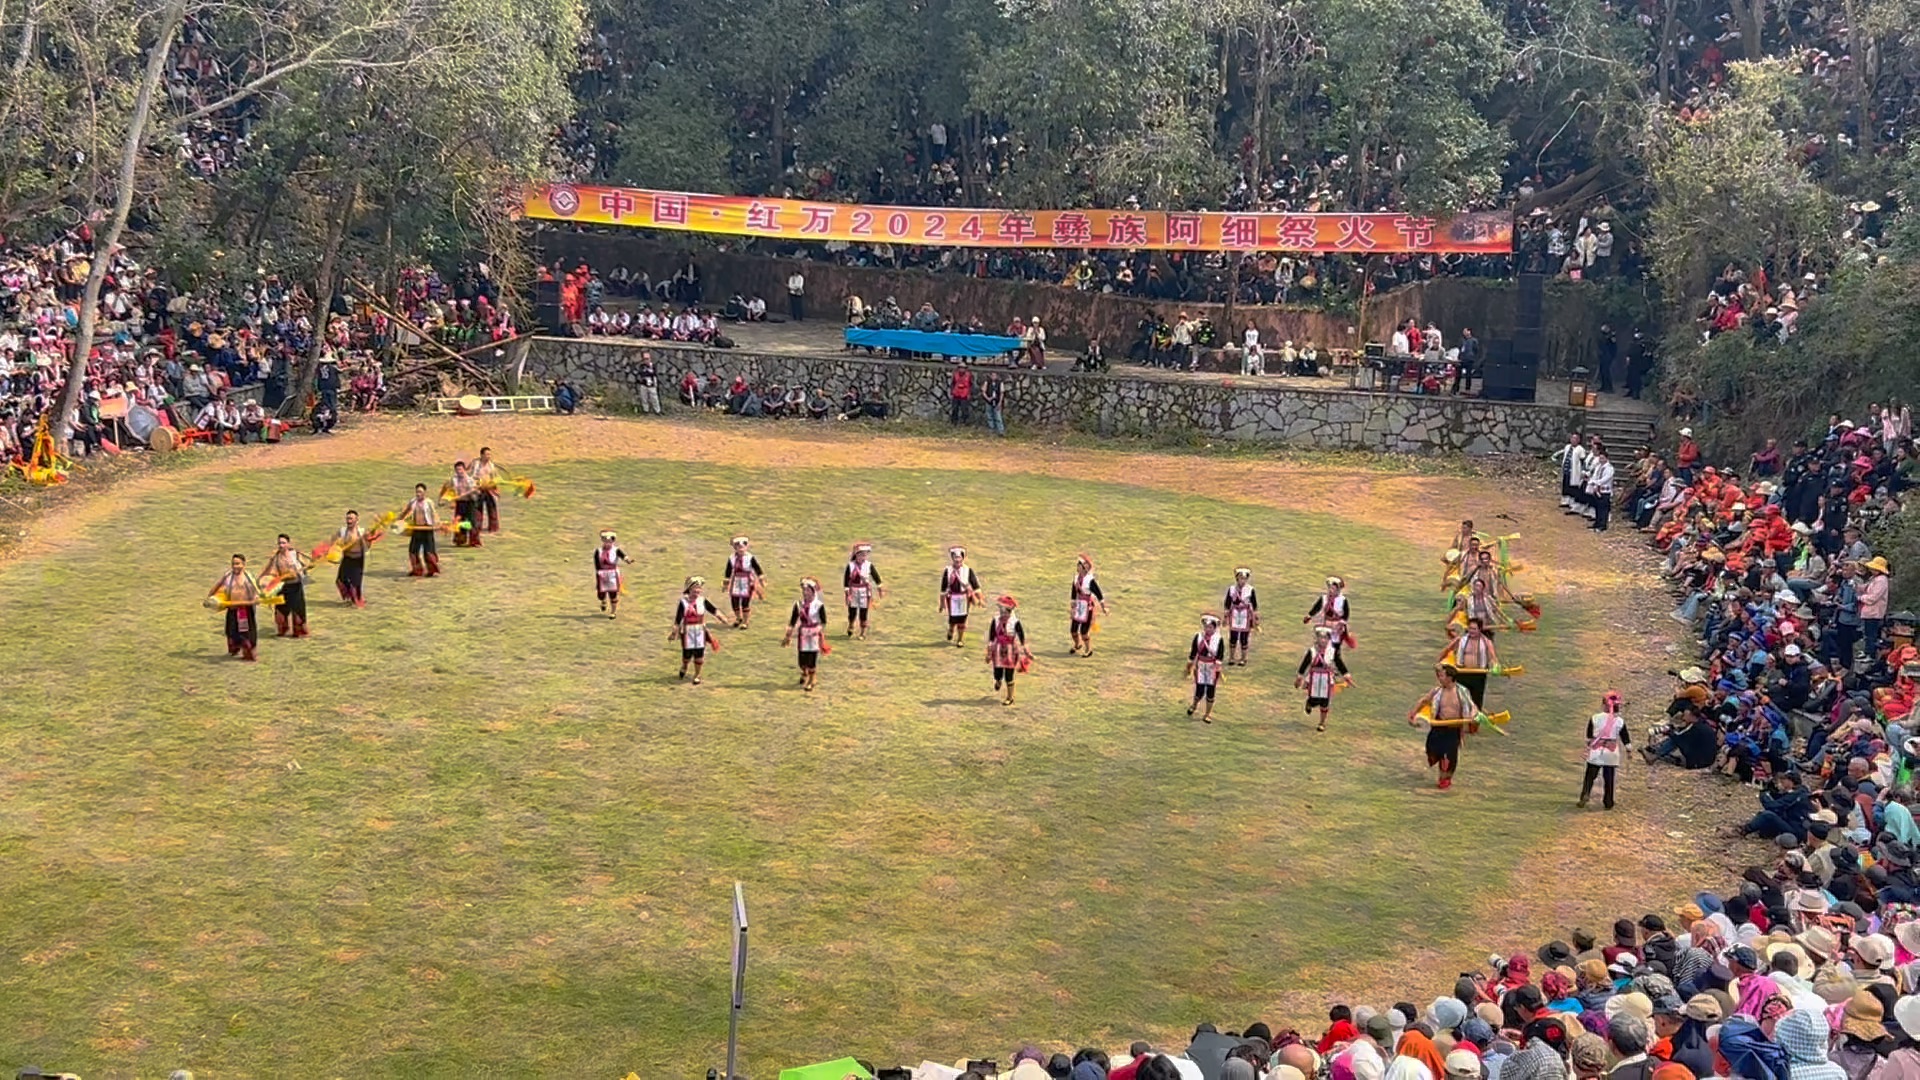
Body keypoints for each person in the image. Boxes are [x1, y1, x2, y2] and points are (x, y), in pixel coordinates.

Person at [1409, 664, 1481, 790]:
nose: (1439, 678)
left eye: (1441, 676)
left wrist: (1474, 716)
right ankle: (1441, 768)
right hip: (1438, 726)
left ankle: (1445, 779)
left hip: (1453, 729)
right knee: (1431, 751)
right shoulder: (1437, 691)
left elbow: (1472, 707)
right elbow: (1424, 701)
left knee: (1448, 756)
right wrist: (1413, 714)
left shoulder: (1461, 691)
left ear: (1450, 677)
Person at [1579, 692, 1631, 809]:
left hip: (1596, 750)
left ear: (1603, 704)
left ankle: (1585, 794)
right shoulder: (1620, 721)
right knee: (1609, 778)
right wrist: (1628, 749)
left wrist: (1589, 744)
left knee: (1590, 776)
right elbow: (1625, 738)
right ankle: (1608, 802)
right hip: (1611, 752)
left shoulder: (1595, 718)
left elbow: (1589, 735)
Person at [1296, 625, 1353, 733]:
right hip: (1314, 678)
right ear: (1316, 639)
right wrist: (1299, 677)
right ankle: (1310, 703)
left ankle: (1322, 723)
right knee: (1314, 700)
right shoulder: (1312, 651)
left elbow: (1339, 663)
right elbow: (1305, 664)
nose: (1322, 640)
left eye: (1325, 638)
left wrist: (1346, 675)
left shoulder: (1332, 651)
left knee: (1325, 702)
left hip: (1327, 679)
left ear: (1328, 639)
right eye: (1320, 638)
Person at [209, 552, 264, 661]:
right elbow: (217, 585)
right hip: (232, 608)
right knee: (231, 631)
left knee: (245, 632)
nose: (235, 566)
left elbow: (257, 591)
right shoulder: (228, 576)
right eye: (233, 564)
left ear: (243, 564)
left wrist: (257, 598)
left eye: (238, 564)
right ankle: (234, 649)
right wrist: (210, 598)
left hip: (244, 609)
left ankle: (249, 654)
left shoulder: (249, 577)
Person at [1439, 617, 1501, 711]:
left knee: (1476, 700)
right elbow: (1446, 650)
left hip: (1478, 675)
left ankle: (1475, 717)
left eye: (1474, 629)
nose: (1471, 631)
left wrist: (1496, 666)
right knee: (1460, 699)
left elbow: (1493, 657)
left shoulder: (1487, 642)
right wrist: (1439, 662)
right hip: (1462, 673)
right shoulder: (1460, 639)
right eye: (1470, 628)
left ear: (1480, 629)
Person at [782, 578, 830, 692]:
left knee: (811, 658)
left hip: (814, 634)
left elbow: (823, 622)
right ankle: (804, 672)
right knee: (802, 660)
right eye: (804, 590)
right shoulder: (799, 605)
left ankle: (812, 679)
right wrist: (788, 634)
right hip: (803, 634)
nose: (805, 592)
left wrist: (818, 630)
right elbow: (793, 620)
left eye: (808, 590)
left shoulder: (819, 605)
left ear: (813, 591)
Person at [671, 576, 723, 684]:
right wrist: (674, 632)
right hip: (687, 631)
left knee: (699, 653)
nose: (697, 590)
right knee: (687, 654)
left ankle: (697, 674)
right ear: (689, 589)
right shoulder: (683, 602)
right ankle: (684, 666)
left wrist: (722, 617)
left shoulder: (702, 601)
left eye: (699, 588)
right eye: (695, 587)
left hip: (700, 631)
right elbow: (678, 618)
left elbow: (713, 610)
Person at [262, 533, 312, 639]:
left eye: (283, 543)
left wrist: (307, 567)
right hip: (283, 586)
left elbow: (307, 564)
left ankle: (299, 632)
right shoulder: (276, 557)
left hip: (296, 586)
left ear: (288, 544)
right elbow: (270, 570)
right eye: (279, 543)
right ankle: (283, 630)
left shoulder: (295, 554)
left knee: (298, 610)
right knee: (280, 610)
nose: (281, 545)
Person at [985, 595, 1031, 706]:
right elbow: (992, 636)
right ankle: (998, 680)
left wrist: (1026, 650)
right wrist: (989, 652)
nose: (1001, 611)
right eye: (1000, 609)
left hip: (1010, 650)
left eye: (1003, 609)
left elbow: (1021, 636)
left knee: (1009, 675)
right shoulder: (995, 620)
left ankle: (1010, 697)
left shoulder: (1015, 622)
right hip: (998, 649)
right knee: (997, 672)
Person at [1187, 613, 1228, 722]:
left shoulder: (1218, 639)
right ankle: (1194, 705)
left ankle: (1207, 714)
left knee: (1210, 690)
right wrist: (1189, 664)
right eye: (1206, 627)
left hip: (1212, 667)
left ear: (1215, 628)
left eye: (1210, 627)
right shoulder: (1199, 636)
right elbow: (1193, 652)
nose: (1207, 629)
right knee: (1199, 688)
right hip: (1201, 665)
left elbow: (1220, 654)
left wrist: (1218, 665)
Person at [333, 508, 376, 607]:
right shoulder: (342, 531)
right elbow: (333, 541)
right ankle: (349, 597)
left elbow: (367, 546)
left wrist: (368, 539)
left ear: (357, 520)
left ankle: (357, 601)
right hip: (346, 558)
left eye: (351, 519)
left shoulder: (361, 532)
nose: (349, 521)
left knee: (355, 582)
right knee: (340, 580)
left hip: (358, 560)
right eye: (348, 518)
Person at [1069, 553, 1109, 657]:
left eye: (1079, 565)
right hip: (1078, 605)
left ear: (1084, 567)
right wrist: (1073, 603)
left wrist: (1103, 607)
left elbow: (1098, 593)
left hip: (1087, 607)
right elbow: (1074, 591)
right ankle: (1077, 644)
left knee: (1083, 632)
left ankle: (1088, 649)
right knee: (1073, 630)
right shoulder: (1076, 578)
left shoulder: (1089, 580)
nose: (1077, 567)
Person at [941, 545, 982, 646]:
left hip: (964, 598)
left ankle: (960, 639)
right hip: (952, 598)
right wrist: (942, 602)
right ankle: (951, 629)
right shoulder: (948, 570)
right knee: (953, 619)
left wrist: (980, 598)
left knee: (962, 619)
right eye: (955, 558)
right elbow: (943, 587)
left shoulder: (968, 570)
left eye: (959, 558)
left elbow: (975, 585)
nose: (957, 561)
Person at [721, 535, 766, 628]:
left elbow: (757, 569)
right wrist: (726, 584)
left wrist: (761, 580)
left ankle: (745, 622)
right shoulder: (732, 558)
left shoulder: (750, 557)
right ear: (735, 548)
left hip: (747, 581)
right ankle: (738, 618)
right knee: (734, 601)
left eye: (743, 547)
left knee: (745, 602)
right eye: (738, 547)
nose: (741, 549)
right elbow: (728, 571)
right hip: (736, 581)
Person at [843, 542, 884, 638]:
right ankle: (851, 624)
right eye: (861, 555)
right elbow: (846, 580)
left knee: (863, 612)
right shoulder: (851, 565)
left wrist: (880, 587)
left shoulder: (869, 565)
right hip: (853, 590)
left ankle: (863, 631)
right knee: (852, 611)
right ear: (856, 555)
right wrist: (847, 592)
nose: (863, 557)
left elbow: (876, 576)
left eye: (865, 555)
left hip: (864, 592)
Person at [401, 482, 442, 578]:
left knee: (428, 551)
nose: (418, 494)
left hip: (427, 529)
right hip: (417, 529)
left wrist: (437, 523)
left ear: (424, 492)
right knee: (413, 550)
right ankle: (417, 570)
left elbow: (434, 514)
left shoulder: (429, 502)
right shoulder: (413, 502)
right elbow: (405, 511)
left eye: (420, 492)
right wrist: (399, 520)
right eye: (417, 492)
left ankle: (431, 571)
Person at [1304, 575, 1354, 648]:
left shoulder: (1342, 600)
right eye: (1330, 588)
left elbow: (1346, 613)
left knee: (1335, 645)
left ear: (1338, 590)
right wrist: (1309, 616)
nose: (1331, 590)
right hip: (1326, 623)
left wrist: (1342, 623)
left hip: (1337, 625)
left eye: (1333, 589)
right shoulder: (1324, 598)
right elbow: (1317, 607)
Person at [1224, 568, 1260, 666]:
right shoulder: (1232, 589)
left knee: (1244, 637)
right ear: (1237, 578)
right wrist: (1226, 615)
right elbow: (1227, 603)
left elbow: (1254, 604)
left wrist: (1256, 617)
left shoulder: (1250, 589)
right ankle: (1231, 657)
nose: (1242, 581)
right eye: (1240, 578)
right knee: (1233, 636)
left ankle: (1244, 658)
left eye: (1244, 578)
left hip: (1245, 614)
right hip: (1235, 613)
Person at [593, 530, 632, 617]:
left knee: (613, 593)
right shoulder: (598, 551)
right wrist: (598, 573)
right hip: (602, 573)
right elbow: (596, 563)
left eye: (609, 541)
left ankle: (613, 612)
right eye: (605, 541)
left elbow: (623, 556)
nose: (607, 543)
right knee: (601, 594)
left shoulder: (616, 550)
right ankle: (603, 601)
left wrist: (628, 560)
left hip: (612, 574)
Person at [448, 459, 483, 548]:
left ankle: (474, 541)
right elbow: (451, 491)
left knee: (471, 522)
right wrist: (452, 500)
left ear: (464, 469)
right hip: (460, 503)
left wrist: (464, 494)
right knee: (459, 521)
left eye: (460, 469)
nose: (459, 471)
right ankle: (460, 540)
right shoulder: (454, 480)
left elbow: (474, 491)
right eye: (457, 470)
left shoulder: (470, 480)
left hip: (470, 502)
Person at [472, 447, 502, 534]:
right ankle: (477, 527)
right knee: (478, 508)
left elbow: (494, 477)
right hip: (479, 488)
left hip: (489, 488)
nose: (489, 456)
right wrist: (476, 487)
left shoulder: (491, 465)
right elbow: (473, 476)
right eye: (487, 454)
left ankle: (493, 528)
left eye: (490, 454)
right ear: (482, 455)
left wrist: (495, 489)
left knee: (492, 507)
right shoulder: (477, 464)